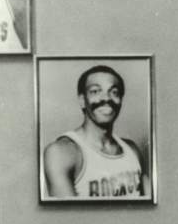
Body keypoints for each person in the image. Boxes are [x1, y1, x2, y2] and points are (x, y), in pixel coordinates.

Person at [42, 65, 149, 199]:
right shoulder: (61, 152)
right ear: (82, 101)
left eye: (114, 92)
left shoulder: (132, 150)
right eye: (95, 91)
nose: (106, 98)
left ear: (121, 100)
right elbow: (68, 218)